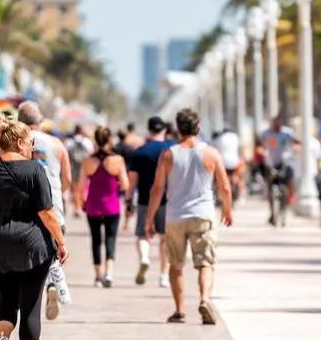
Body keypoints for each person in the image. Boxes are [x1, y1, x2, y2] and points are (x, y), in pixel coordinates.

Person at [0, 115, 69, 340]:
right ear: (17, 142)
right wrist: (61, 242)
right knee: (30, 305)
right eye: (30, 142)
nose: (32, 146)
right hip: (32, 247)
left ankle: (4, 339)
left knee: (4, 301)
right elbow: (47, 213)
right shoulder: (35, 169)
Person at [145, 108, 233, 324]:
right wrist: (228, 210)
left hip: (175, 216)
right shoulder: (211, 153)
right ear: (198, 126)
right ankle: (204, 300)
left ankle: (179, 310)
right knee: (205, 263)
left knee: (175, 265)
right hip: (203, 215)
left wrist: (150, 218)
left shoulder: (169, 155)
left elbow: (157, 189)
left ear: (177, 129)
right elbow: (224, 186)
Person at [19, 101, 72, 319]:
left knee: (30, 256)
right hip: (53, 206)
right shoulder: (57, 144)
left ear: (20, 121)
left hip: (25, 207)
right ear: (40, 121)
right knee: (52, 252)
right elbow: (67, 179)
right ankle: (53, 285)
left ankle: (38, 294)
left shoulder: (19, 142)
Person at [75, 126, 127, 287]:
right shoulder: (118, 160)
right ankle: (109, 273)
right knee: (111, 239)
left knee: (96, 240)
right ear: (109, 140)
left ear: (95, 141)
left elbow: (80, 187)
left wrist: (80, 203)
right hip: (112, 206)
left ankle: (98, 276)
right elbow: (125, 184)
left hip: (93, 206)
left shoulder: (88, 161)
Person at [127, 116, 172, 285]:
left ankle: (145, 257)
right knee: (165, 237)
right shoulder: (171, 149)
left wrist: (129, 199)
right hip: (167, 200)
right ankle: (164, 275)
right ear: (165, 130)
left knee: (142, 235)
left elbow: (132, 180)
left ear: (149, 130)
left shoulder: (140, 152)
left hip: (145, 199)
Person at [215, 127, 244, 203]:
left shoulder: (220, 138)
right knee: (238, 176)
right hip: (235, 161)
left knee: (219, 178)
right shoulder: (235, 137)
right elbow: (241, 149)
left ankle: (219, 195)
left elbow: (215, 149)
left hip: (223, 162)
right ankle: (240, 192)